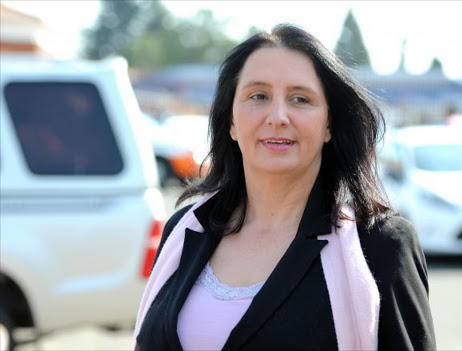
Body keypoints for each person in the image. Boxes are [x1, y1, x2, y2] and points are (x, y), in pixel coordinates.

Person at [133, 23, 436, 351]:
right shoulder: (185, 230)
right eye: (258, 96)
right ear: (231, 121)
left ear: (328, 125)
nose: (277, 116)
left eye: (300, 99)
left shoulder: (380, 245)